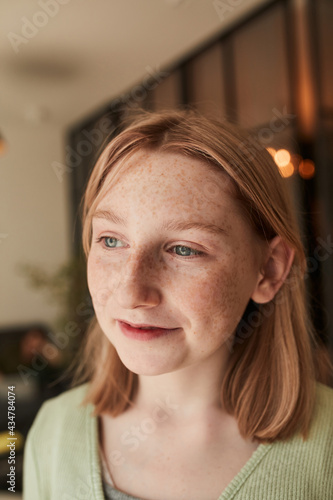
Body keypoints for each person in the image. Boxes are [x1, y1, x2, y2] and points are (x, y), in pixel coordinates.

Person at [23, 110, 333, 500]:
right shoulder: (53, 431)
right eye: (112, 241)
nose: (131, 293)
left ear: (268, 271)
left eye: (184, 249)